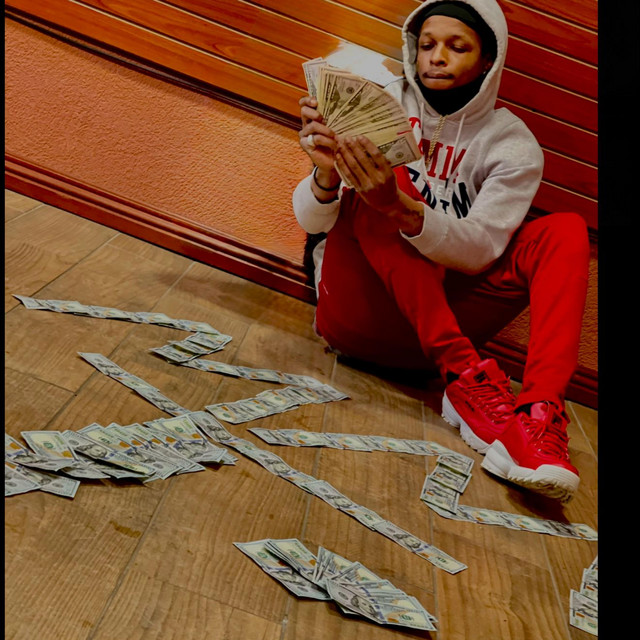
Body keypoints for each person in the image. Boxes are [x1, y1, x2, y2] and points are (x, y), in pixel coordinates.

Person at [292, 0, 590, 503]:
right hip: (359, 317)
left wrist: (406, 211)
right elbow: (311, 222)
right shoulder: (379, 101)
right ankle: (464, 374)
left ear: (488, 59)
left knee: (565, 230)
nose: (437, 57)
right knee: (379, 185)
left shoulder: (513, 144)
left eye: (457, 46)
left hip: (443, 322)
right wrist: (325, 172)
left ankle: (536, 416)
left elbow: (480, 252)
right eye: (427, 44)